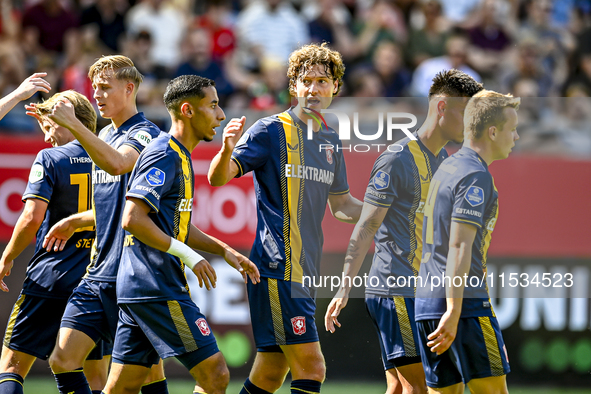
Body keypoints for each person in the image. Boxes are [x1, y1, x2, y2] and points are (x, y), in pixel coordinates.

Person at [208, 43, 362, 394]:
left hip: (305, 269)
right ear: (293, 87)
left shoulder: (329, 140)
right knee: (312, 366)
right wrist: (226, 149)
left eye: (322, 81)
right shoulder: (270, 131)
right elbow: (219, 178)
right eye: (305, 81)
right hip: (277, 266)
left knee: (270, 373)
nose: (313, 89)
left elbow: (342, 206)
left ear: (335, 86)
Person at [325, 69, 484, 394]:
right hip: (395, 289)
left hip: (425, 293)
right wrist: (344, 288)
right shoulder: (397, 158)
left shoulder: (446, 161)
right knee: (427, 388)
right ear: (441, 108)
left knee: (399, 388)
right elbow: (367, 224)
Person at [101, 74, 259, 394]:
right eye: (213, 105)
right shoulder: (164, 153)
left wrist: (224, 250)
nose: (221, 115)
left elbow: (176, 225)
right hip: (156, 285)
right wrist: (189, 256)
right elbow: (132, 219)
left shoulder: (181, 155)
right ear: (187, 110)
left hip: (141, 286)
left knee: (122, 388)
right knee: (215, 374)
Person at [38, 55, 165, 394]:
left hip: (134, 273)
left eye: (106, 88)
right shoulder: (105, 133)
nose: (97, 95)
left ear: (129, 88)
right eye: (94, 88)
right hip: (98, 271)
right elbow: (111, 204)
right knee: (62, 359)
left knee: (148, 374)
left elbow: (119, 164)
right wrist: (76, 221)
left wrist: (77, 126)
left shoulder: (146, 133)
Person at [0, 88, 109, 394]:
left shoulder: (50, 158)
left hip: (51, 278)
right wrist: (49, 119)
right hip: (94, 283)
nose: (46, 137)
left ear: (67, 118)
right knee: (93, 376)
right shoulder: (112, 159)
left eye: (49, 128)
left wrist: (7, 256)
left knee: (11, 367)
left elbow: (32, 218)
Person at [415, 90, 519, 393]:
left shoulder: (446, 166)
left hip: (427, 301)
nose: (516, 136)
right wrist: (454, 311)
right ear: (493, 131)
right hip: (463, 305)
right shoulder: (476, 176)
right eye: (512, 129)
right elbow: (459, 246)